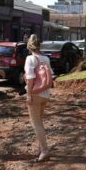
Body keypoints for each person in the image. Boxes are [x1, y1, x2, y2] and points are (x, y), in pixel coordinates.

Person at [25, 34, 54, 162]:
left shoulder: (30, 59)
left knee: (36, 124)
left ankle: (44, 151)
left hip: (35, 94)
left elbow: (30, 78)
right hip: (45, 94)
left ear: (29, 46)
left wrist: (28, 95)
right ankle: (41, 148)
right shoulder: (46, 58)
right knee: (40, 123)